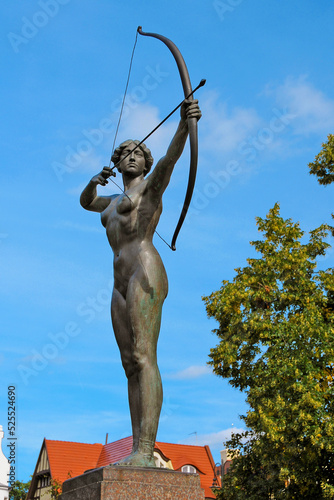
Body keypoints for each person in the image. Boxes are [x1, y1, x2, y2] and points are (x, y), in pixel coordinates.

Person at [80, 99, 201, 467]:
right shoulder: (112, 201)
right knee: (130, 362)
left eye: (138, 152)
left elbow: (170, 161)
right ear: (116, 164)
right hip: (119, 280)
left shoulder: (149, 189)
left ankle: (145, 451)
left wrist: (185, 125)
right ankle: (138, 450)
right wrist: (92, 181)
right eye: (125, 153)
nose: (131, 156)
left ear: (144, 163)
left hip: (144, 269)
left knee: (145, 356)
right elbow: (86, 202)